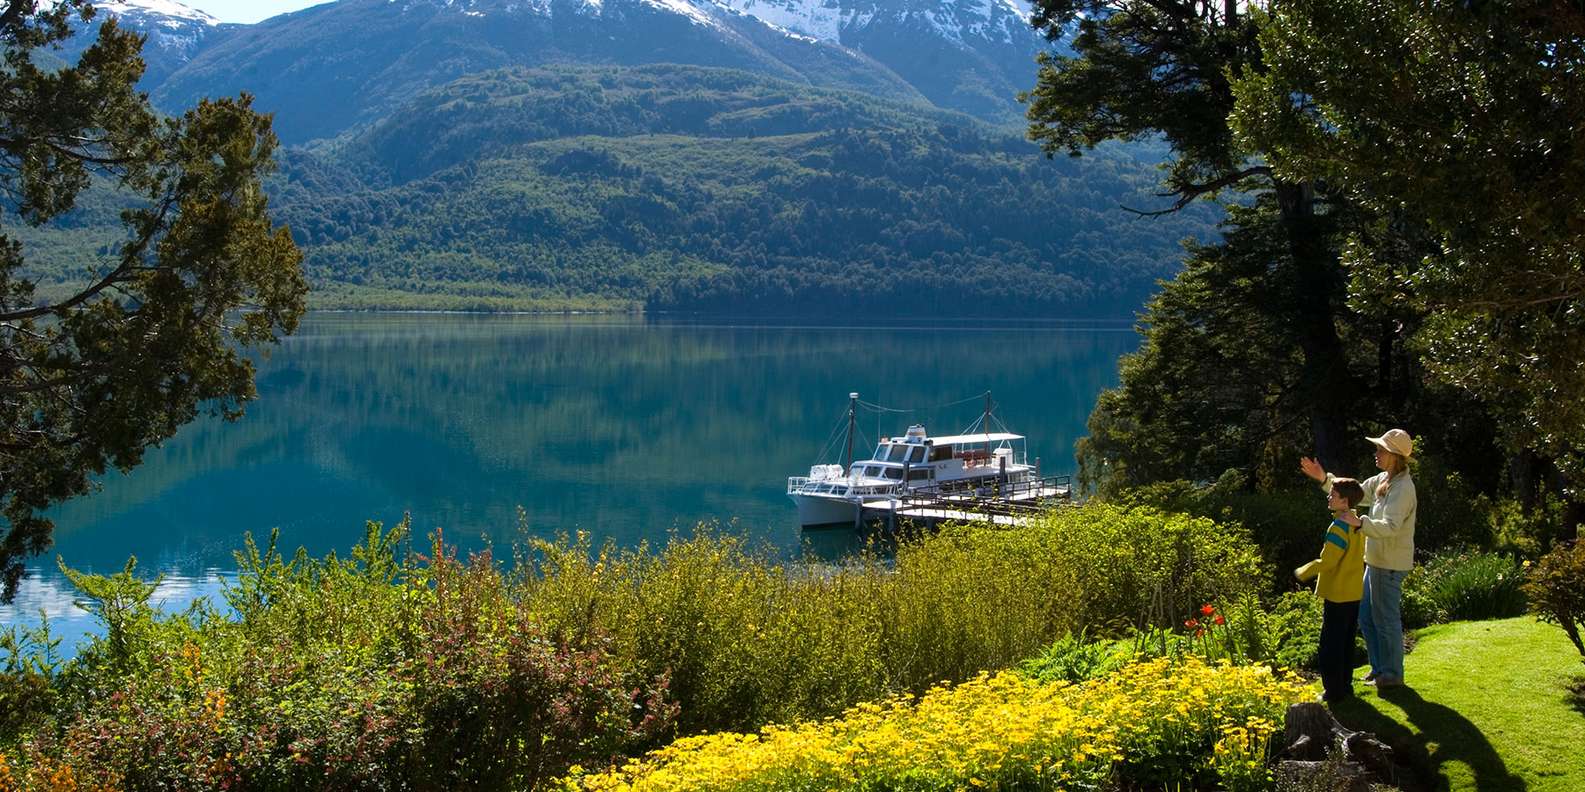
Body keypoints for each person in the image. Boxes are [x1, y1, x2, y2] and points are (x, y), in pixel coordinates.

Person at [1300, 429, 1418, 688]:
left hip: (1390, 565)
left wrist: (1359, 521)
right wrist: (1324, 479)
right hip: (1375, 560)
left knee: (1385, 619)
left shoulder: (1403, 488)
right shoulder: (1383, 480)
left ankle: (1392, 675)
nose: (1376, 453)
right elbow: (1353, 494)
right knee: (1366, 617)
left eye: (1381, 450)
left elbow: (1391, 527)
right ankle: (1379, 669)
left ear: (1395, 456)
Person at [1295, 478, 1366, 703]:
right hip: (1354, 592)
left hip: (1338, 593)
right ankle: (1345, 686)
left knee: (1330, 645)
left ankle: (1333, 691)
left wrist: (1304, 571)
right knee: (1346, 643)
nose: (1329, 497)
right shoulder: (1357, 523)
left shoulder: (1339, 526)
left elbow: (1328, 561)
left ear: (1344, 501)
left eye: (1333, 495)